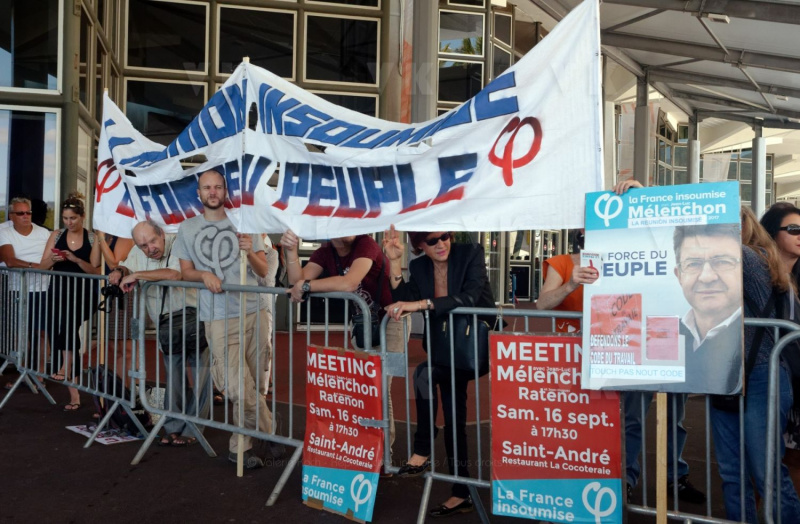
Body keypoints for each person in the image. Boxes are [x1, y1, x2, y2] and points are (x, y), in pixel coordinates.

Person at [384, 227, 495, 518]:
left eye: (445, 236)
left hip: (472, 349)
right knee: (453, 417)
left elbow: (470, 297)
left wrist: (422, 305)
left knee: (424, 374)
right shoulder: (420, 266)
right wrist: (395, 263)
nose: (442, 243)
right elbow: (404, 295)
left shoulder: (471, 254)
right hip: (443, 350)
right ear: (421, 244)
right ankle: (461, 492)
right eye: (432, 241)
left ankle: (423, 448)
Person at [174, 169, 272, 469]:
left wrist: (249, 252)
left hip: (254, 311)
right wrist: (204, 275)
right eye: (207, 187)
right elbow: (185, 271)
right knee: (236, 387)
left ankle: (239, 448)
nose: (213, 192)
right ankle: (272, 432)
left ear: (225, 191)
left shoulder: (245, 222)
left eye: (218, 186)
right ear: (199, 194)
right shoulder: (187, 228)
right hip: (217, 316)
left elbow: (264, 271)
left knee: (254, 383)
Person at [708, 207, 800, 522]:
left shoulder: (748, 257)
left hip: (760, 375)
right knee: (736, 473)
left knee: (763, 472)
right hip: (728, 374)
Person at [280, 230, 406, 456]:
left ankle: (383, 453)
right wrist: (290, 251)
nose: (346, 227)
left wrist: (307, 286)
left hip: (392, 322)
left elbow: (349, 283)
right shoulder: (325, 252)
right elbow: (296, 280)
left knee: (378, 388)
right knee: (365, 388)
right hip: (362, 324)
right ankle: (368, 449)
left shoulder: (366, 243)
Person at [109, 219, 211, 447]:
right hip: (166, 324)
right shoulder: (138, 251)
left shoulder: (180, 244)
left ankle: (195, 427)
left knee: (201, 375)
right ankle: (173, 426)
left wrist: (137, 275)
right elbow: (127, 265)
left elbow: (176, 274)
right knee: (174, 377)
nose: (149, 248)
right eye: (143, 245)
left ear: (162, 234)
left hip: (196, 317)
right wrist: (120, 270)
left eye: (152, 241)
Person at [38, 193, 101, 411]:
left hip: (83, 293)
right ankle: (73, 394)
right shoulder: (56, 235)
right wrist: (52, 260)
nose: (68, 222)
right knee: (60, 330)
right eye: (65, 218)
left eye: (72, 218)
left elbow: (96, 270)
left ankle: (65, 367)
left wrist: (75, 259)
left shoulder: (92, 238)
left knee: (68, 325)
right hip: (59, 291)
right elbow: (41, 266)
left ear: (82, 217)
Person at [669, 222, 743, 394]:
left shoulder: (754, 335)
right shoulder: (672, 333)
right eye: (693, 264)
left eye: (723, 262)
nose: (707, 277)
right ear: (679, 275)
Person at [759, 202, 800, 497]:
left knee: (795, 457)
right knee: (762, 461)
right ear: (773, 234)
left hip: (796, 382)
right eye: (794, 229)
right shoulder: (758, 273)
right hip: (769, 381)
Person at [0, 197, 51, 381]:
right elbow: (10, 261)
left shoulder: (44, 233)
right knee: (21, 334)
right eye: (20, 213)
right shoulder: (5, 232)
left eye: (28, 212)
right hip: (17, 289)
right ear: (11, 216)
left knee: (43, 332)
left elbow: (52, 259)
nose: (25, 216)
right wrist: (36, 266)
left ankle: (39, 375)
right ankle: (23, 373)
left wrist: (44, 266)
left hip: (44, 289)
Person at [257, 234, 279, 396]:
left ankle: (261, 390)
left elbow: (265, 278)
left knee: (263, 348)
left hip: (263, 307)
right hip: (238, 307)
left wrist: (250, 258)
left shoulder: (271, 253)